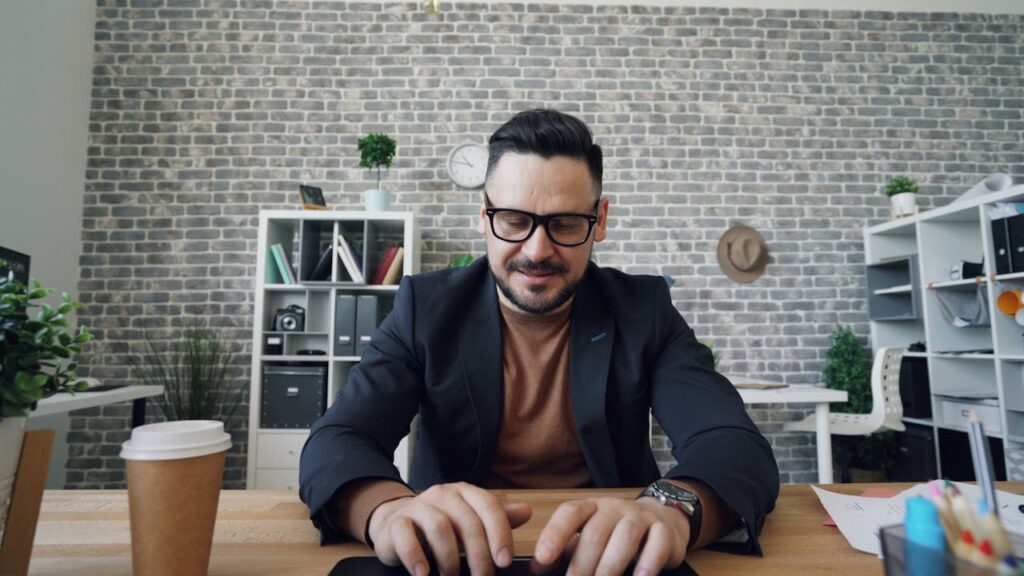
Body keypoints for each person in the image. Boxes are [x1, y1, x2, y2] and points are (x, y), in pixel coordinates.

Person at [300, 109, 779, 576]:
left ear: (601, 219)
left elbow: (731, 443)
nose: (536, 251)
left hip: (610, 558)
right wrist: (387, 512)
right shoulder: (424, 309)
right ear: (484, 216)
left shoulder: (644, 310)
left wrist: (669, 510)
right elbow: (340, 439)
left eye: (566, 223)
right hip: (454, 557)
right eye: (513, 220)